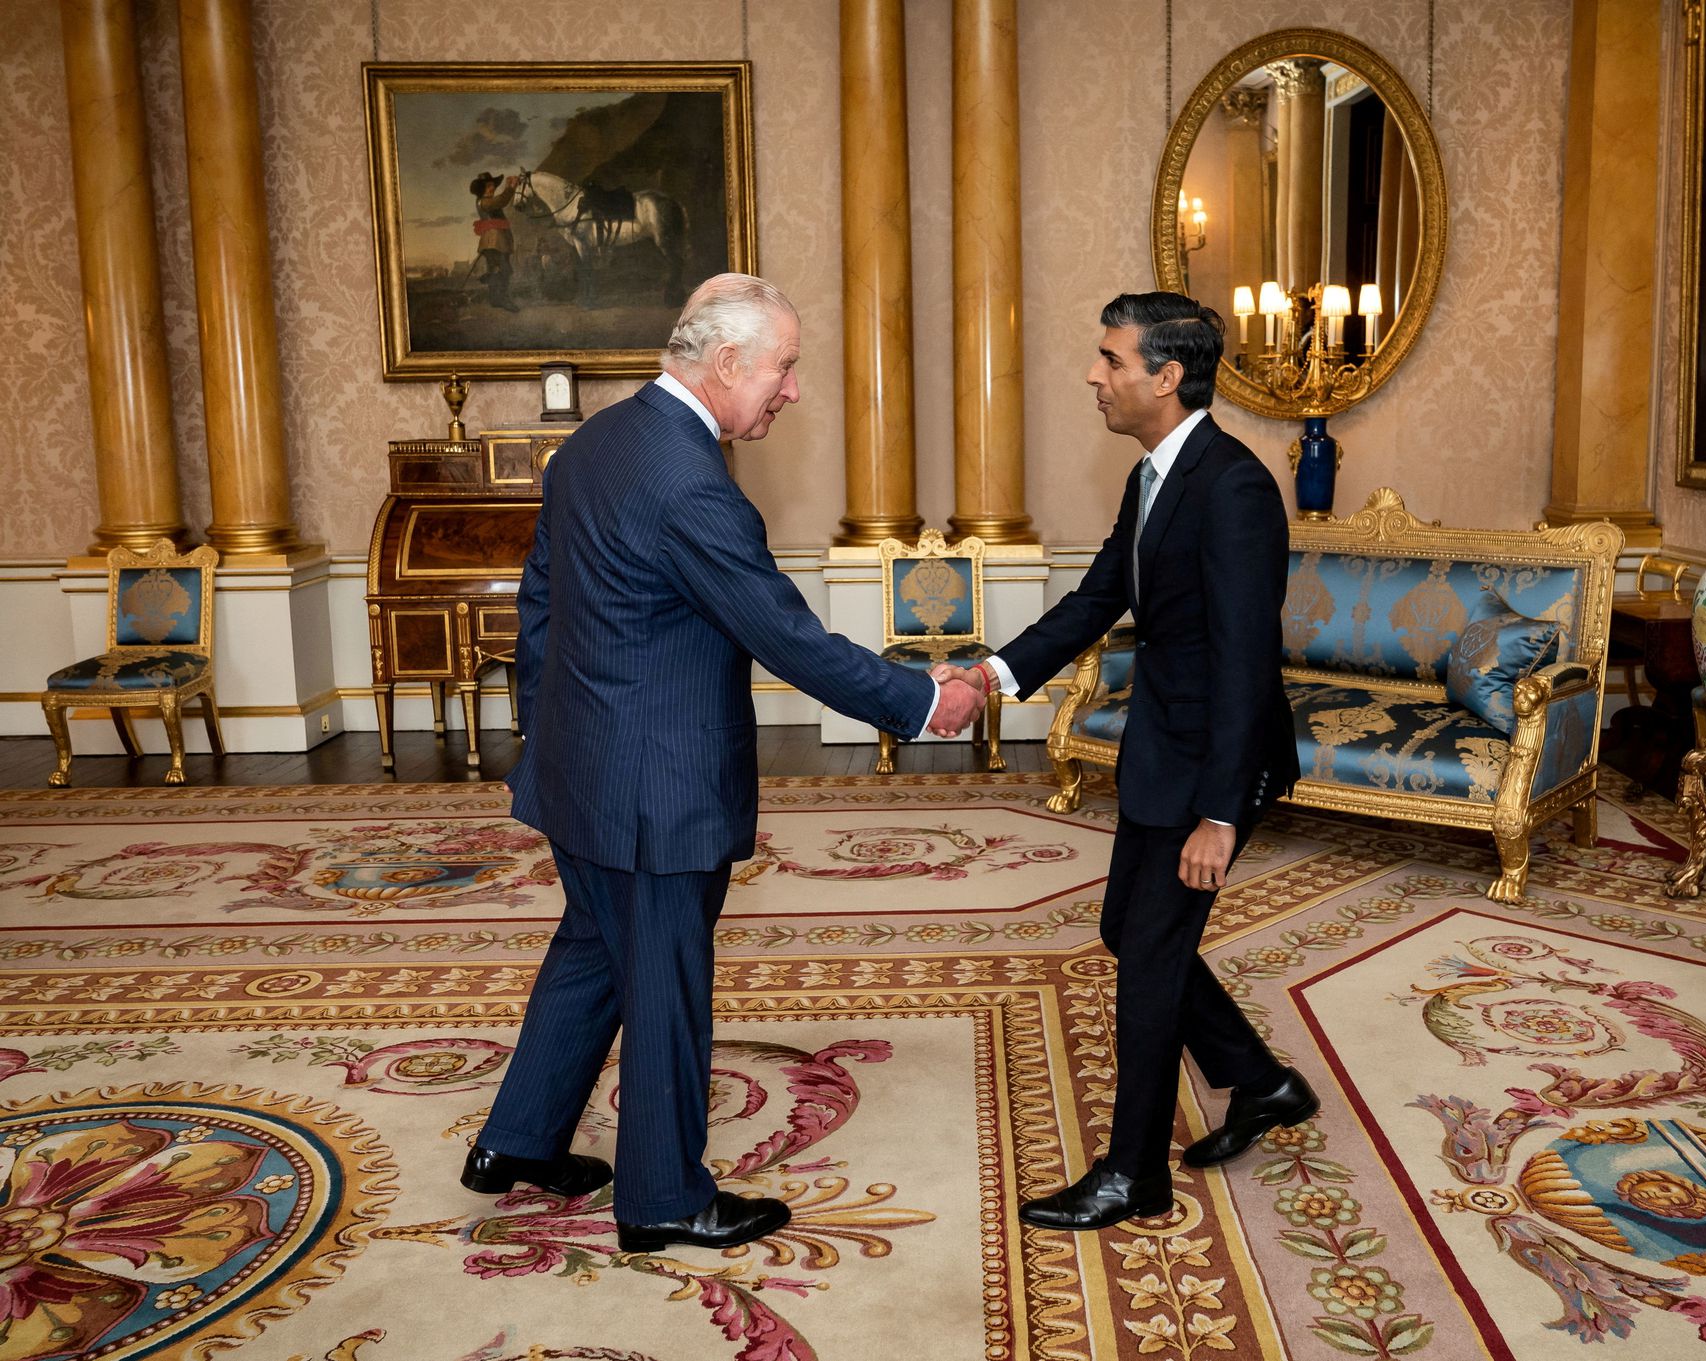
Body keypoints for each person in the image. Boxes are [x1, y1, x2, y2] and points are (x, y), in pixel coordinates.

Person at [461, 274, 984, 1253]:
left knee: (593, 947)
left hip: (581, 767)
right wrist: (922, 698)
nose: (793, 388)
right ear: (728, 360)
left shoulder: (597, 442)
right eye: (785, 366)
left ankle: (518, 1139)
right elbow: (786, 635)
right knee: (663, 981)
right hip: (653, 789)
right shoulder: (690, 483)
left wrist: (547, 738)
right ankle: (663, 1196)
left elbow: (539, 606)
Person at [939, 291, 1317, 1231]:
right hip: (1166, 747)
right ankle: (1262, 1081)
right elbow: (1095, 597)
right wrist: (989, 675)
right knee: (1129, 928)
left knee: (1149, 954)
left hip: (1217, 761)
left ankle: (1133, 1171)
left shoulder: (1233, 488)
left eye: (1111, 359)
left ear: (1167, 375)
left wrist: (1220, 814)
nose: (1093, 376)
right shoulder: (1152, 475)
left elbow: (1246, 661)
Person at [470, 172, 520, 312]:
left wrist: (507, 185)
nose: (492, 188)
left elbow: (499, 200)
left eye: (492, 185)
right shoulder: (485, 202)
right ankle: (503, 300)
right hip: (494, 242)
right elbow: (501, 201)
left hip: (496, 241)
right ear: (482, 189)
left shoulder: (486, 201)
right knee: (503, 270)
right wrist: (511, 187)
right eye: (489, 186)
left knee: (495, 270)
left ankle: (495, 300)